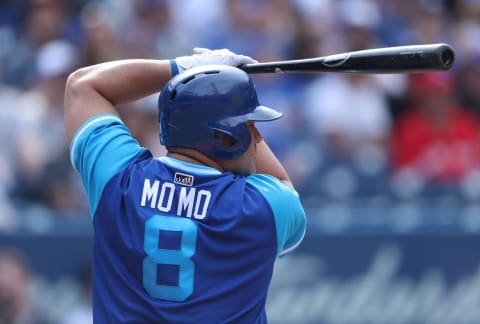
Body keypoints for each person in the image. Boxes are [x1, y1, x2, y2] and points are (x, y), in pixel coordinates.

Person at [64, 48, 306, 323]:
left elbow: (83, 86)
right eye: (250, 125)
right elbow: (282, 183)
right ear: (226, 137)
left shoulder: (119, 180)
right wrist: (219, 81)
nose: (259, 138)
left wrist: (185, 67)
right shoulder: (264, 206)